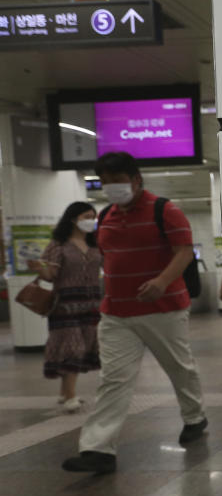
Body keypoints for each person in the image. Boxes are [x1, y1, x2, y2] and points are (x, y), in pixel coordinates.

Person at [62, 152, 208, 474]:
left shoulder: (164, 210)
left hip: (164, 309)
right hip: (116, 314)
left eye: (119, 181)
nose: (113, 187)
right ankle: (98, 449)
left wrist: (162, 281)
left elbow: (184, 251)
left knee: (179, 368)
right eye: (107, 182)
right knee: (113, 379)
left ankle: (195, 417)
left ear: (136, 179)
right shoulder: (106, 216)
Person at [27, 202, 102, 413]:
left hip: (91, 304)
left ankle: (63, 392)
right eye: (86, 216)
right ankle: (70, 396)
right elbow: (50, 275)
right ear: (73, 219)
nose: (91, 220)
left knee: (84, 346)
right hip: (65, 305)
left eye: (93, 216)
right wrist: (39, 268)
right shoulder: (58, 245)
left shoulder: (95, 244)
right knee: (73, 348)